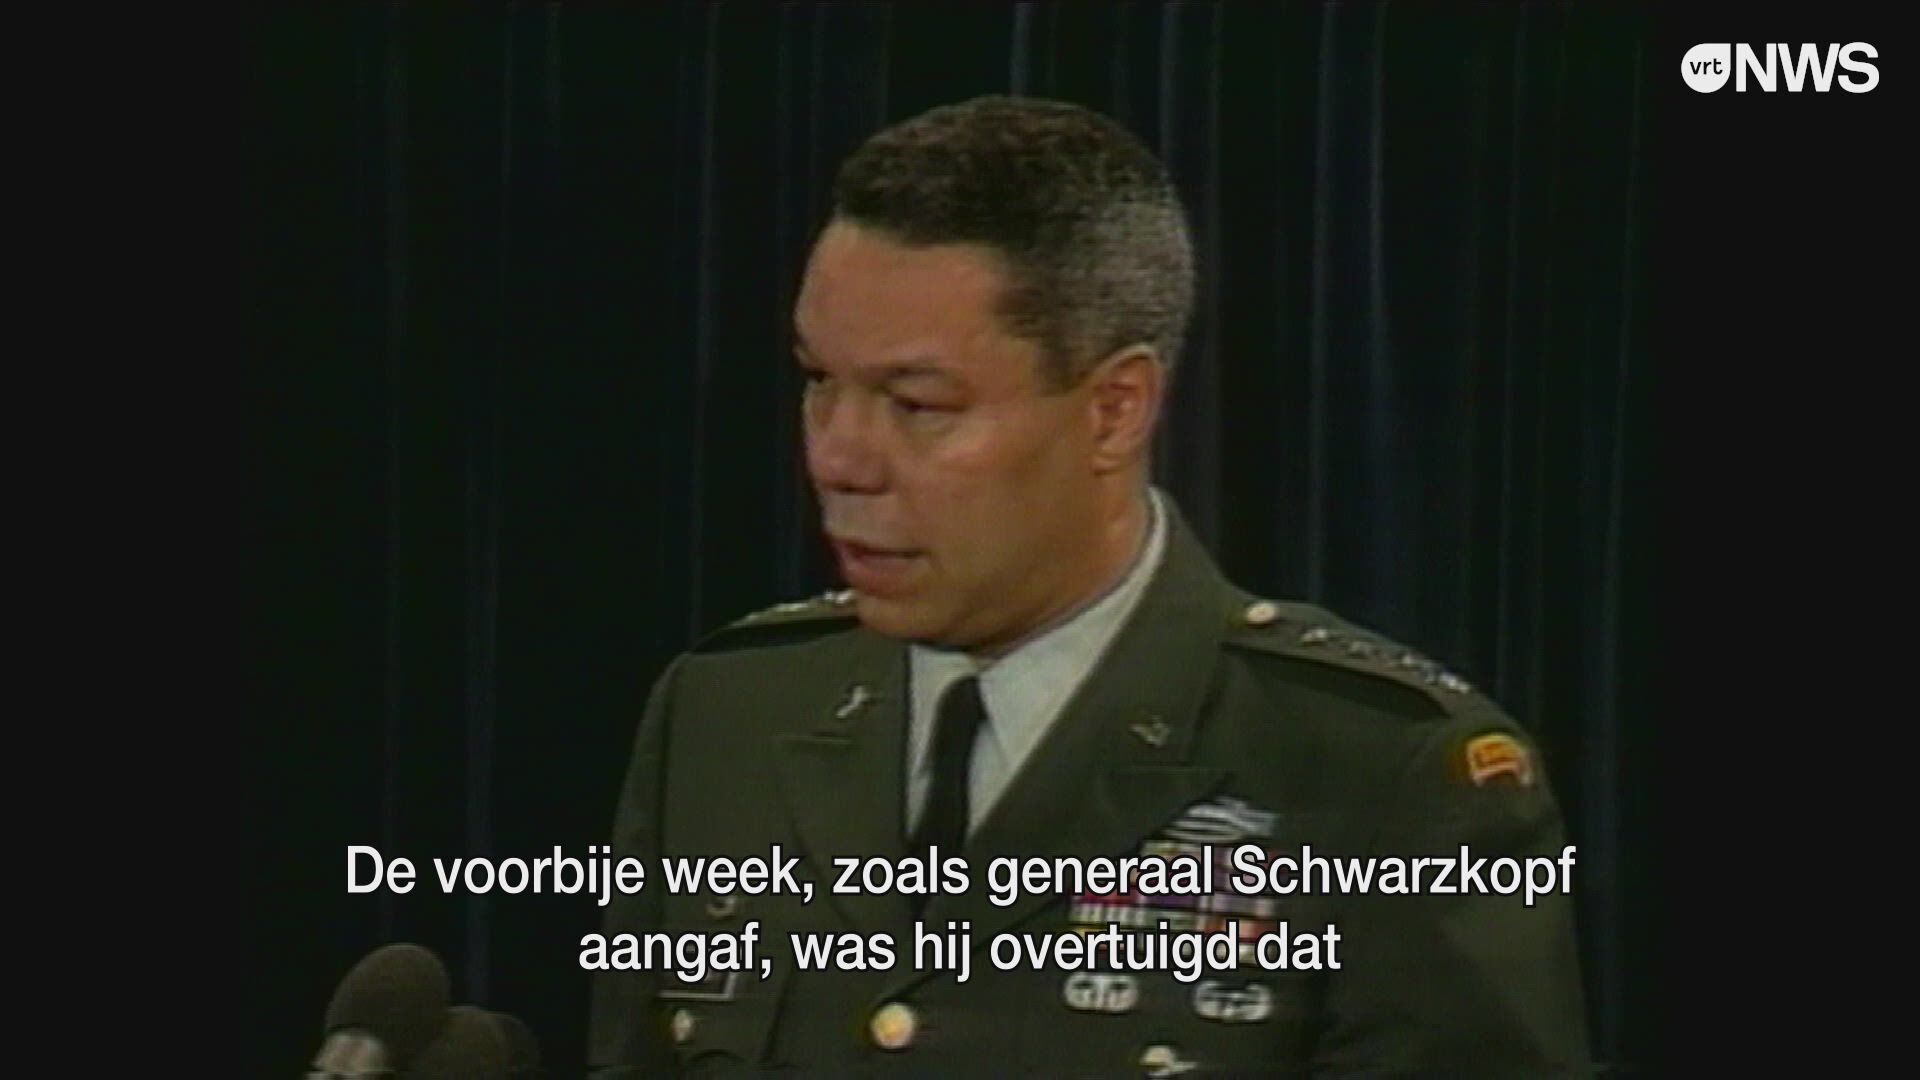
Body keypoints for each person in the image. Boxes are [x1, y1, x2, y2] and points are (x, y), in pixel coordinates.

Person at [587, 95, 1591, 1076]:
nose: (838, 458)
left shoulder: (1383, 775)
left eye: (918, 404)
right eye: (819, 382)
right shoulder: (726, 714)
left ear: (1114, 409)